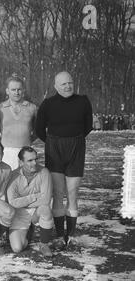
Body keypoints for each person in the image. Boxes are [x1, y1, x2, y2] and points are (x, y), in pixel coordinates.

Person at [36, 71, 93, 249]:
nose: (68, 86)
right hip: (54, 150)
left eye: (70, 82)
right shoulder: (48, 104)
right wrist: (54, 142)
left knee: (73, 193)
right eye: (63, 84)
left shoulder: (83, 101)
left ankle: (72, 235)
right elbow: (39, 129)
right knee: (58, 194)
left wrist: (72, 139)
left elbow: (88, 126)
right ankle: (60, 235)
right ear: (55, 86)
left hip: (76, 148)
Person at [6, 146, 54, 257]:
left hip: (36, 211)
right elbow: (12, 202)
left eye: (35, 159)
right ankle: (29, 232)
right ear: (21, 162)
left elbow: (46, 199)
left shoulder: (44, 172)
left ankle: (44, 244)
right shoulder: (13, 175)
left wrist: (22, 201)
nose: (34, 163)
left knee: (45, 209)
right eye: (30, 160)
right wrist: (33, 197)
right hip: (20, 214)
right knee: (17, 248)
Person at [0, 75, 37, 170]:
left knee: (26, 181)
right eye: (13, 89)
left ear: (23, 90)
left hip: (26, 151)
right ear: (7, 91)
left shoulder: (32, 108)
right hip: (6, 152)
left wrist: (28, 140)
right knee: (8, 182)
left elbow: (37, 130)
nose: (16, 92)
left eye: (19, 89)